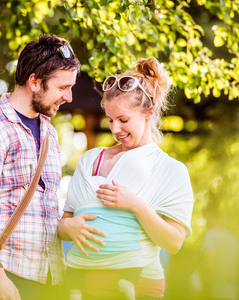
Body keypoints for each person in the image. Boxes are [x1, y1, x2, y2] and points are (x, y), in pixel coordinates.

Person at [58, 57, 194, 300]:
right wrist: (67, 227)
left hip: (138, 283)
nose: (114, 129)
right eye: (110, 120)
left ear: (148, 114)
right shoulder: (89, 160)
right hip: (80, 283)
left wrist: (135, 205)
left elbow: (174, 243)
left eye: (123, 120)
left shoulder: (171, 170)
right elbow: (64, 223)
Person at [0, 33, 80, 300]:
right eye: (62, 88)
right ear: (34, 81)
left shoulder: (50, 133)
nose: (69, 96)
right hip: (8, 276)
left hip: (49, 279)